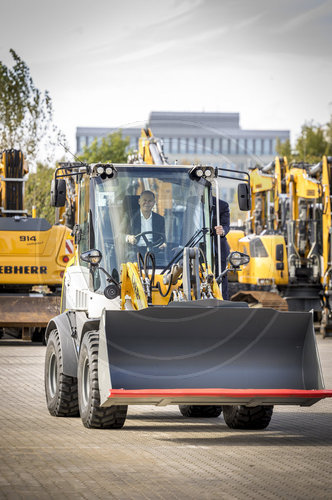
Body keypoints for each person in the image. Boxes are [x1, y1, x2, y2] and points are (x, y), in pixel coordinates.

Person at [212, 197, 230, 300]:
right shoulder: (191, 201)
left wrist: (222, 231)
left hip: (217, 249)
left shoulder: (222, 205)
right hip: (196, 247)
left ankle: (222, 305)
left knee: (221, 282)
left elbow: (226, 226)